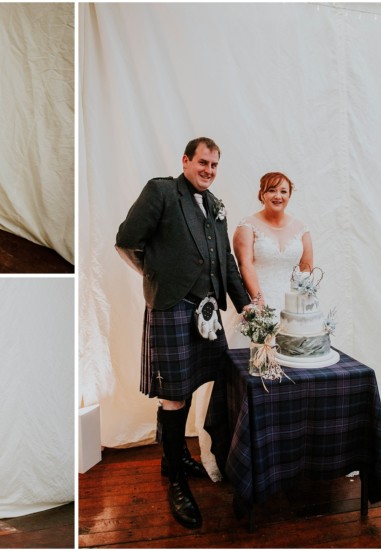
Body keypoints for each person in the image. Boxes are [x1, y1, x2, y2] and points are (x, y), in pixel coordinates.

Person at [115, 137, 251, 529]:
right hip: (172, 309)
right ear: (186, 160)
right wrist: (157, 276)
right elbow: (126, 241)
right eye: (202, 162)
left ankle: (170, 458)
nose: (208, 170)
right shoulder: (161, 190)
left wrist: (246, 307)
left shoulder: (215, 205)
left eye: (214, 165)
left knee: (191, 385)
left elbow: (225, 262)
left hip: (207, 314)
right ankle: (175, 478)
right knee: (173, 395)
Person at [233, 171, 313, 315]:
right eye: (271, 190)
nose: (278, 196)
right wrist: (259, 302)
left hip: (293, 306)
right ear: (262, 194)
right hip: (259, 301)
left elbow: (306, 268)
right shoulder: (247, 226)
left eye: (283, 191)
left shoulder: (302, 229)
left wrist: (303, 303)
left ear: (289, 196)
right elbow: (245, 264)